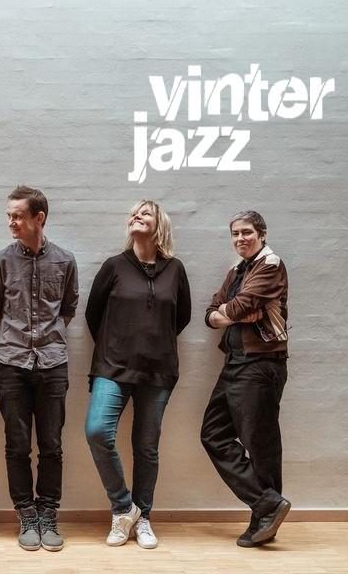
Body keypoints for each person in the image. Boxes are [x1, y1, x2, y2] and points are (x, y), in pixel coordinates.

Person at [84, 200, 191, 549]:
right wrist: (118, 344)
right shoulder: (114, 266)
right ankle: (124, 509)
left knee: (146, 448)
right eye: (133, 213)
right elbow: (93, 314)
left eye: (145, 213)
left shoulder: (175, 269)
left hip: (158, 372)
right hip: (112, 368)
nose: (137, 216)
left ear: (160, 225)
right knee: (97, 431)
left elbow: (182, 317)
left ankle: (143, 517)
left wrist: (153, 343)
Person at [0, 186, 78, 552]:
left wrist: (47, 339)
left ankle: (48, 513)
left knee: (52, 445)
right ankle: (26, 514)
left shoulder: (65, 261)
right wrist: (12, 340)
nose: (11, 222)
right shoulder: (0, 262)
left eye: (18, 216)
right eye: (9, 215)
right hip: (12, 364)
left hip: (53, 364)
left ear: (39, 218)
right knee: (17, 445)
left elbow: (68, 308)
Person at [200, 210, 290, 548]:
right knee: (213, 434)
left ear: (262, 234)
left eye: (247, 232)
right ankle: (267, 505)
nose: (241, 238)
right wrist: (228, 313)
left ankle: (264, 520)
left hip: (261, 364)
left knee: (260, 444)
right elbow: (211, 312)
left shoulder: (271, 265)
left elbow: (239, 306)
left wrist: (229, 312)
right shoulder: (238, 270)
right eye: (235, 233)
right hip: (235, 362)